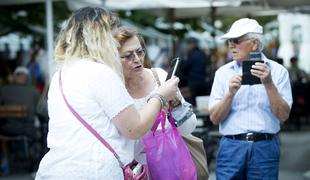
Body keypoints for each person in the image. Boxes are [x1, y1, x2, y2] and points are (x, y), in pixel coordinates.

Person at [35, 7, 179, 180]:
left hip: (55, 168)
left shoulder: (61, 74)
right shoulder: (100, 72)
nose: (116, 43)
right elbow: (134, 128)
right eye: (113, 36)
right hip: (93, 171)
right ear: (101, 38)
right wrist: (160, 95)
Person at [208, 18, 292, 179]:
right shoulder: (223, 73)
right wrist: (230, 94)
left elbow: (283, 116)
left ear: (254, 43)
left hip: (265, 147)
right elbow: (214, 118)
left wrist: (268, 84)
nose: (230, 45)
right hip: (231, 147)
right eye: (229, 41)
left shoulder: (278, 72)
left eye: (236, 40)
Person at [114, 26, 197, 165]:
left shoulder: (159, 76)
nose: (137, 59)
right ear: (114, 58)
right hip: (135, 171)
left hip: (170, 165)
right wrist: (155, 106)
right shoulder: (114, 88)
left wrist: (175, 106)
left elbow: (188, 128)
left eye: (140, 52)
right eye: (128, 55)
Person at [0, 66, 41, 175]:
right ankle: (30, 162)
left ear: (15, 77)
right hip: (27, 131)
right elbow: (41, 111)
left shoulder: (3, 90)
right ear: (27, 77)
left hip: (5, 130)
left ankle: (6, 159)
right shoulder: (34, 91)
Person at [178, 37, 209, 106]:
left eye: (188, 44)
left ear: (191, 45)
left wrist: (185, 58)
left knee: (194, 102)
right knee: (201, 101)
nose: (187, 46)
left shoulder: (190, 54)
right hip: (203, 81)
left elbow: (183, 68)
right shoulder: (202, 53)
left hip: (193, 82)